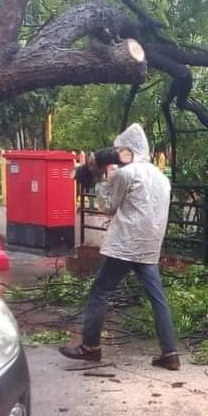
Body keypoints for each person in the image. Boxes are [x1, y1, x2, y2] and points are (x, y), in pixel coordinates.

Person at [60, 123, 181, 370]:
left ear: (126, 149)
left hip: (126, 243)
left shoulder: (127, 174)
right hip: (149, 245)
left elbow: (107, 206)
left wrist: (101, 178)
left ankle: (90, 347)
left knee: (100, 291)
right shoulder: (161, 178)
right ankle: (170, 353)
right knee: (158, 299)